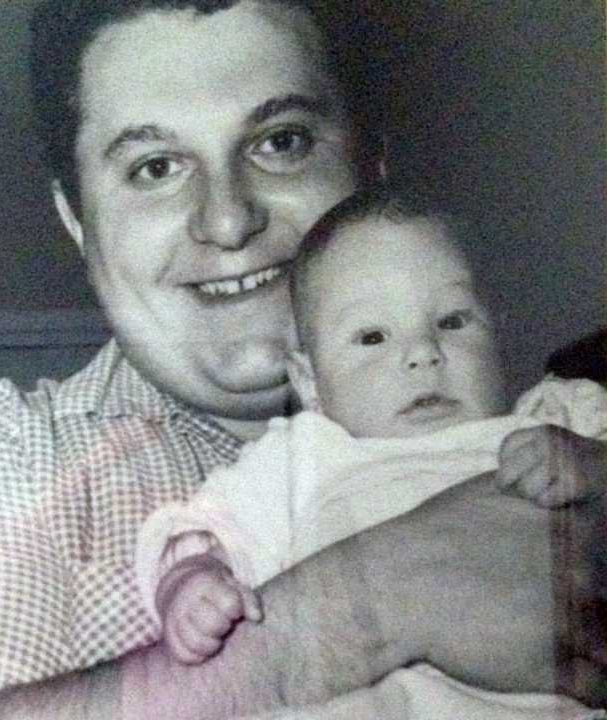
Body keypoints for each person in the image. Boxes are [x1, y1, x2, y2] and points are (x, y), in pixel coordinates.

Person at [0, 1, 605, 718]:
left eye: (282, 141)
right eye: (156, 167)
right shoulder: (16, 460)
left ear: (371, 167)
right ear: (77, 221)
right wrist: (369, 606)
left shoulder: (539, 403)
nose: (229, 221)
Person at [133, 185, 607, 718]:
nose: (423, 354)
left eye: (452, 321)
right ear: (310, 381)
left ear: (500, 338)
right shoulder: (303, 456)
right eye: (373, 337)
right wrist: (192, 584)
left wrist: (592, 466)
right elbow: (198, 530)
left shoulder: (556, 417)